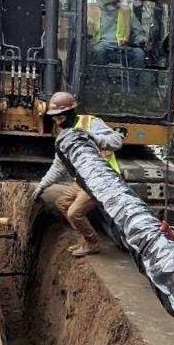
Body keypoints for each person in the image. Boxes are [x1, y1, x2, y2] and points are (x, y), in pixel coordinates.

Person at [31, 90, 123, 258]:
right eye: (55, 117)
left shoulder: (90, 123)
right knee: (62, 203)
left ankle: (93, 243)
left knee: (74, 212)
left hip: (103, 180)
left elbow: (117, 141)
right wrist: (42, 185)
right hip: (84, 180)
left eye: (61, 117)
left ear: (71, 112)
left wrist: (91, 138)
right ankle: (85, 239)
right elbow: (58, 165)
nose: (57, 121)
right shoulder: (64, 134)